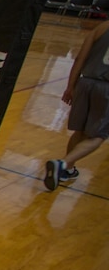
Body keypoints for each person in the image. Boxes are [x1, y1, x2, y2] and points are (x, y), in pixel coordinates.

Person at [44, 20, 109, 191]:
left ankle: (67, 170)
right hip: (106, 88)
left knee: (80, 131)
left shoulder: (102, 27)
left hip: (85, 83)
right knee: (98, 136)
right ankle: (63, 164)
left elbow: (80, 57)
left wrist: (71, 86)